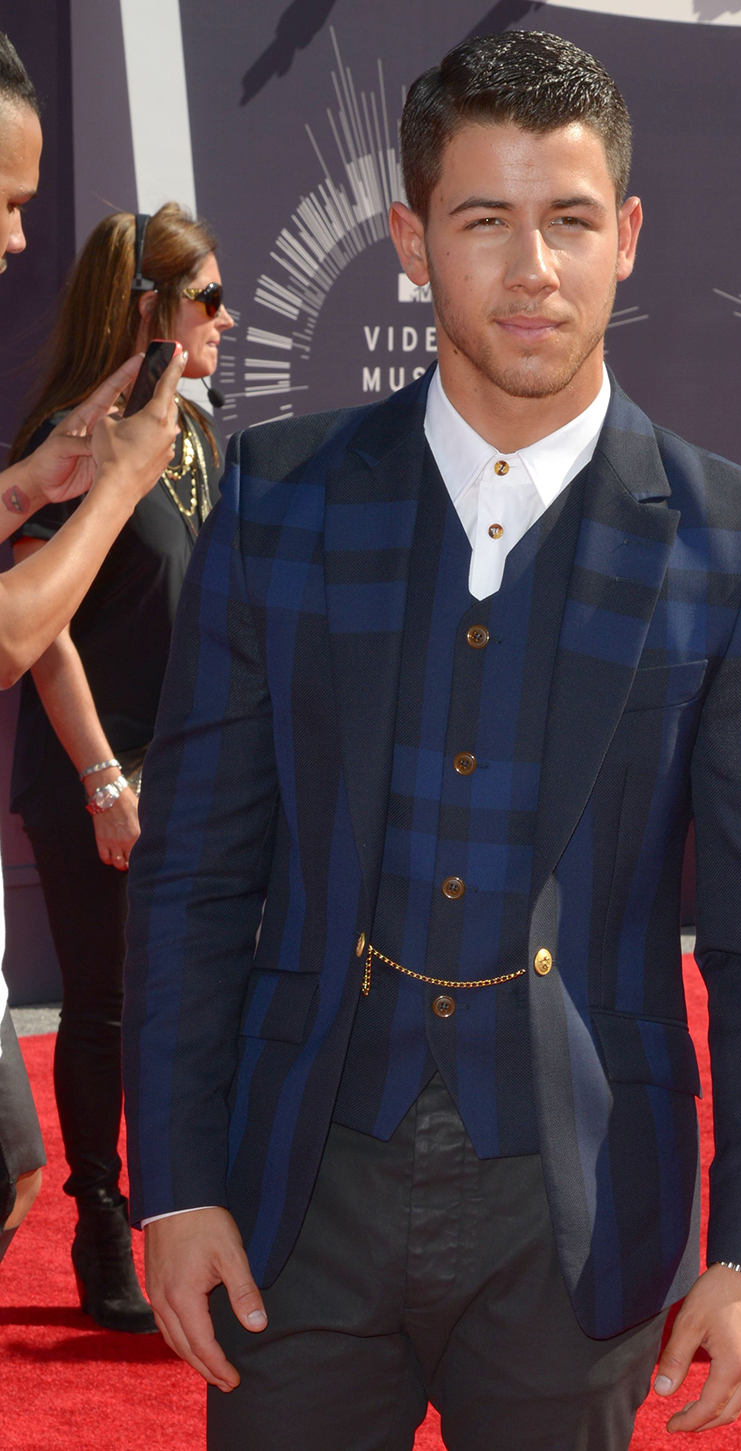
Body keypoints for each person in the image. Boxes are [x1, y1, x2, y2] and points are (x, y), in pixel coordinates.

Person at [124, 30, 741, 1449]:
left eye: (571, 219)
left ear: (626, 236)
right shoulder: (281, 501)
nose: (534, 268)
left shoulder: (730, 540)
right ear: (410, 238)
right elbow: (195, 873)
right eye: (484, 220)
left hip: (579, 1214)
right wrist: (175, 1180)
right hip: (299, 1191)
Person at [7, 201, 232, 1331]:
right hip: (91, 767)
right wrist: (105, 777)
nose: (225, 321)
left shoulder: (190, 436)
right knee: (101, 1006)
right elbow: (35, 630)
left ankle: (172, 1209)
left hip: (185, 771)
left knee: (184, 1004)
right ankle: (100, 1219)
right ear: (151, 311)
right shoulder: (74, 435)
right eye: (208, 299)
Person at [0, 28, 184, 1271]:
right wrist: (109, 486)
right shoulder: (135, 454)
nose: (19, 235)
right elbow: (20, 633)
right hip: (89, 793)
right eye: (5, 199)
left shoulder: (206, 437)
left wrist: (23, 486)